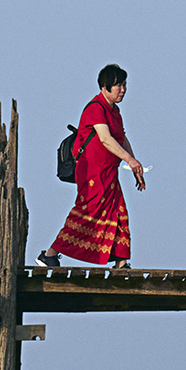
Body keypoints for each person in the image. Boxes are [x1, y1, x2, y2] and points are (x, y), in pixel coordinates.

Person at [35, 63, 145, 269]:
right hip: (92, 171)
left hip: (109, 172)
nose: (122, 89)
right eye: (118, 85)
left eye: (124, 85)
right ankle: (49, 255)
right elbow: (105, 139)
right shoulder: (96, 108)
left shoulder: (114, 111)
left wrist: (134, 165)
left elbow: (121, 139)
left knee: (119, 212)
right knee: (88, 212)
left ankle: (121, 263)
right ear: (104, 87)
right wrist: (130, 160)